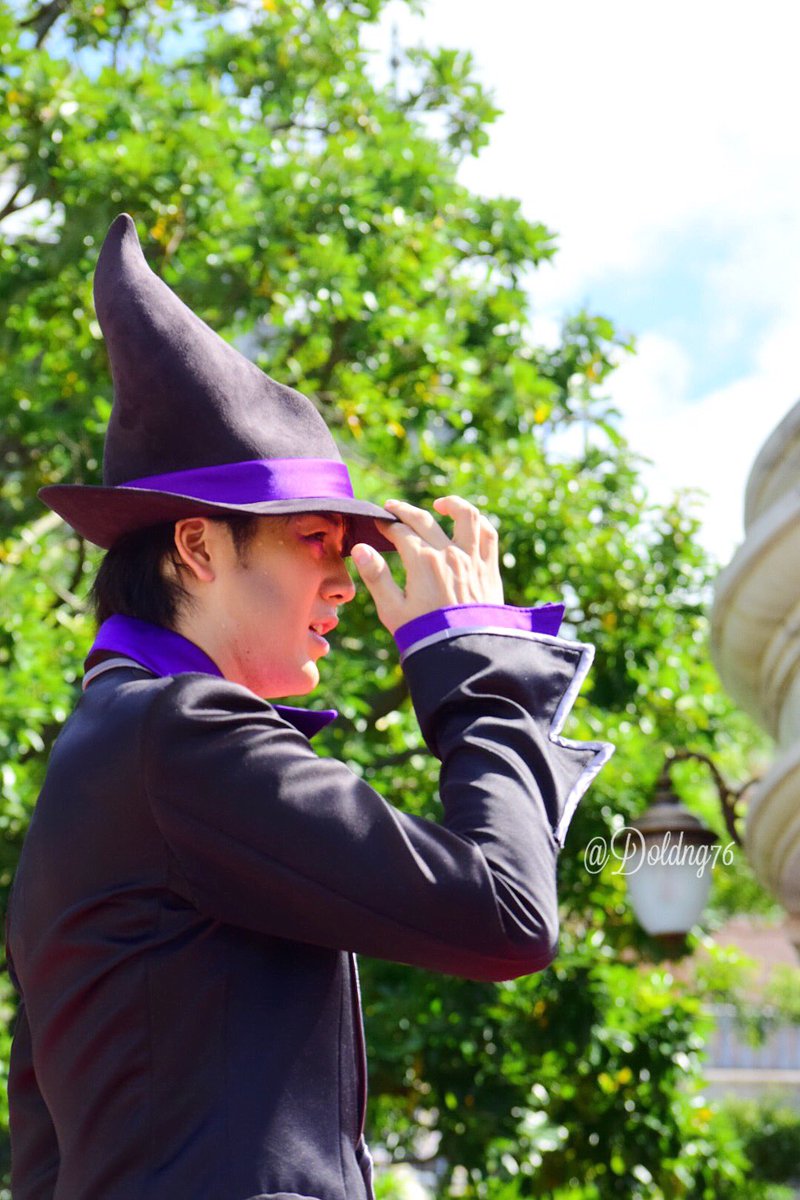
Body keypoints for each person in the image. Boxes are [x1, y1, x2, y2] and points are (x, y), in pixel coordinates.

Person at [5, 214, 614, 1200]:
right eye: (314, 541)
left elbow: (46, 1156)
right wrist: (475, 664)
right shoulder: (178, 733)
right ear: (197, 548)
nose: (344, 580)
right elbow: (506, 914)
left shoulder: (106, 750)